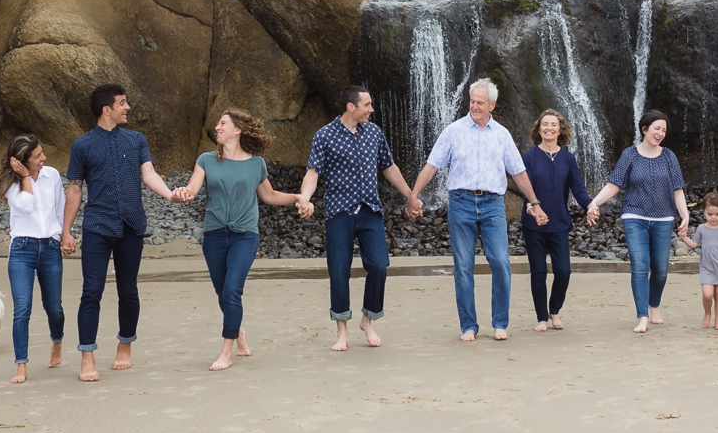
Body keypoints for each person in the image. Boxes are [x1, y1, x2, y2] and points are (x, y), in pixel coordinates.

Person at [172, 109, 312, 370]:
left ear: (237, 130)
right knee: (221, 292)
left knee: (232, 289)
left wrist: (297, 197)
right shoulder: (205, 160)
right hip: (213, 235)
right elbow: (191, 189)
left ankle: (226, 352)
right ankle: (239, 331)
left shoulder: (256, 163)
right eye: (217, 123)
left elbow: (269, 196)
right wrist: (183, 192)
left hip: (245, 235)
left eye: (222, 123)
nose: (217, 127)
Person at [411, 78, 549, 342]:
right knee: (463, 266)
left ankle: (500, 322)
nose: (474, 106)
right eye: (472, 101)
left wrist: (534, 202)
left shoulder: (502, 134)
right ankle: (468, 325)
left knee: (500, 262)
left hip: (493, 205)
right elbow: (432, 165)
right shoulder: (453, 131)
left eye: (480, 102)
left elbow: (518, 172)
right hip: (461, 202)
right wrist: (414, 195)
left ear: (492, 105)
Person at [63, 83, 178, 382]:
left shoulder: (136, 139)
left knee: (128, 290)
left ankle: (125, 344)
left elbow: (148, 172)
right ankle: (87, 356)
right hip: (97, 226)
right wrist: (66, 231)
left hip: (131, 225)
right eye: (123, 103)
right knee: (92, 291)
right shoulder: (83, 145)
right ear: (107, 109)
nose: (127, 107)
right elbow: (75, 188)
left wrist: (169, 195)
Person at [298, 85, 420, 352]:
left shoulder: (374, 133)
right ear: (351, 107)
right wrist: (304, 198)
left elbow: (389, 167)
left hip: (370, 211)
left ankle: (368, 319)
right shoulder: (325, 135)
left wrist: (410, 195)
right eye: (368, 105)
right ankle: (342, 330)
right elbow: (313, 172)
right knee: (339, 271)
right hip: (339, 212)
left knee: (379, 265)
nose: (372, 110)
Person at [586, 110, 690, 334]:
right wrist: (594, 202)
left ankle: (654, 305)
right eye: (656, 128)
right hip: (634, 217)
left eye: (663, 130)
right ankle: (642, 315)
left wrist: (685, 215)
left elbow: (677, 189)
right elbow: (614, 184)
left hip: (663, 218)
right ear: (645, 129)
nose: (660, 133)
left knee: (661, 270)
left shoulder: (669, 156)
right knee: (640, 267)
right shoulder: (630, 155)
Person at [0, 133, 65, 384]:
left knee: (54, 307)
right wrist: (25, 177)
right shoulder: (10, 183)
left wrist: (64, 235)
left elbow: (60, 208)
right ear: (22, 161)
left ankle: (57, 340)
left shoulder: (52, 175)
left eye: (42, 152)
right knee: (22, 310)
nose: (44, 158)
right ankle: (21, 365)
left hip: (50, 247)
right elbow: (25, 205)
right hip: (22, 249)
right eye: (37, 156)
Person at [519, 109, 592, 331]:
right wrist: (533, 208)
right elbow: (526, 188)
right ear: (538, 129)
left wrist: (590, 206)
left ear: (560, 130)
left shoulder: (568, 158)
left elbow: (578, 188)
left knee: (563, 271)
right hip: (533, 224)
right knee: (538, 272)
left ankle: (555, 311)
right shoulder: (529, 157)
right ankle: (542, 318)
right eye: (545, 124)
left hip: (559, 223)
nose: (549, 128)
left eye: (553, 124)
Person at [676, 191, 718, 330]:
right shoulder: (701, 228)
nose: (713, 217)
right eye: (710, 214)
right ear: (704, 212)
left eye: (717, 214)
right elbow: (694, 244)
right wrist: (683, 237)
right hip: (707, 266)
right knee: (707, 294)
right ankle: (707, 313)